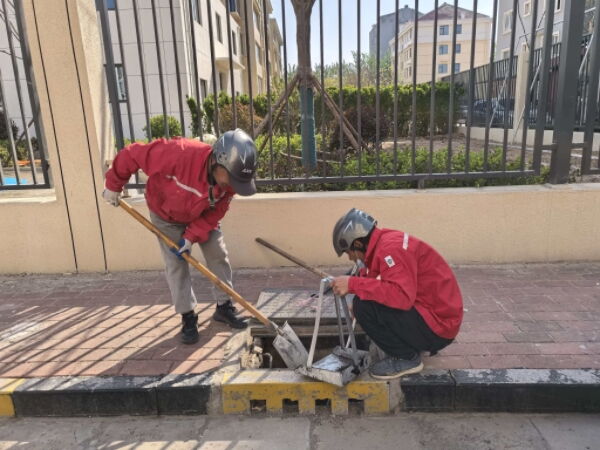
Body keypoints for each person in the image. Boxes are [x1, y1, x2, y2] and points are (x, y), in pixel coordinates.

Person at [102, 129, 258, 344]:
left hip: (201, 215)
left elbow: (216, 213)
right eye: (232, 179)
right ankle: (188, 316)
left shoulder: (229, 184)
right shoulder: (178, 153)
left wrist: (191, 236)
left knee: (217, 254)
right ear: (217, 162)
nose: (233, 187)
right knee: (176, 264)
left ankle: (224, 307)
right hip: (166, 215)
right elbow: (132, 154)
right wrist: (113, 185)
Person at [330, 208, 463, 379]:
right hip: (439, 318)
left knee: (363, 307)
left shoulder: (390, 249)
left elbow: (401, 296)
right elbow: (377, 277)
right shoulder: (386, 241)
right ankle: (413, 344)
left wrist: (353, 284)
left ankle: (406, 358)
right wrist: (358, 286)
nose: (351, 258)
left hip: (439, 327)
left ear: (357, 243)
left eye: (349, 252)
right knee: (363, 301)